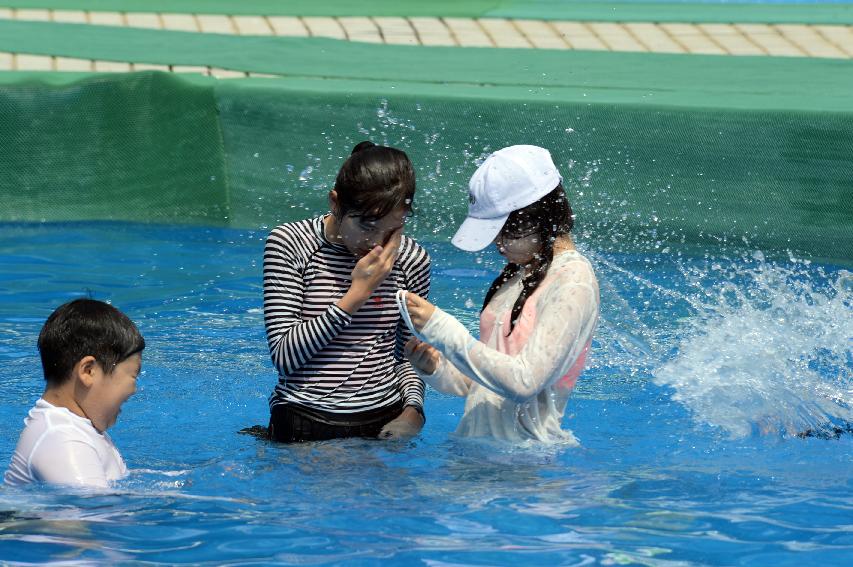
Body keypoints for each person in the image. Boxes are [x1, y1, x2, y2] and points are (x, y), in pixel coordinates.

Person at [399, 145, 599, 443]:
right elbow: (485, 381)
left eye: (504, 230)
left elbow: (524, 381)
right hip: (478, 451)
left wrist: (443, 329)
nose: (497, 242)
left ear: (539, 217)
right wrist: (437, 368)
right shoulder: (520, 273)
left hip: (526, 464)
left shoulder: (573, 282)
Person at [263, 141, 430, 442]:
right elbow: (285, 355)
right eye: (366, 226)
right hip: (305, 419)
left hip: (384, 422)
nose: (376, 243)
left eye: (390, 229)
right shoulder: (290, 243)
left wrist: (413, 411)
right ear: (335, 203)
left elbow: (408, 357)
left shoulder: (411, 260)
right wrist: (359, 293)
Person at [5, 299, 144, 487]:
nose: (134, 389)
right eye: (133, 375)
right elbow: (95, 512)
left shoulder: (77, 427)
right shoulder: (60, 438)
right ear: (88, 371)